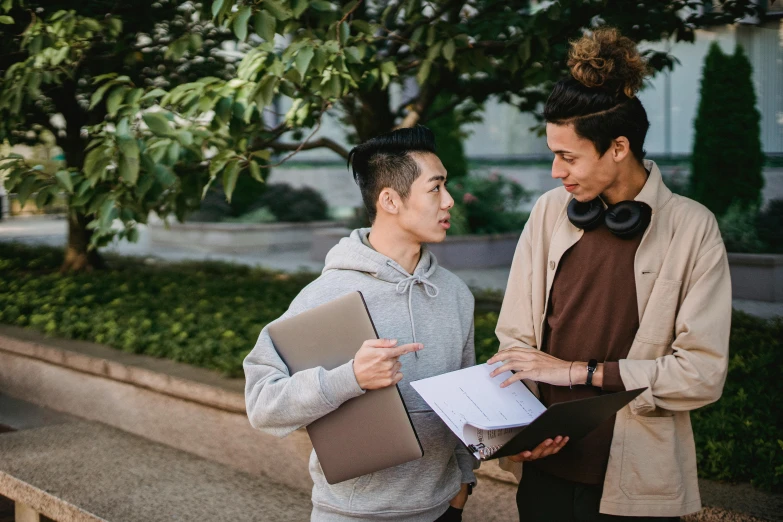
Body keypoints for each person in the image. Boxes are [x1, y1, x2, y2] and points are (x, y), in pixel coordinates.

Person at [491, 28, 731, 521]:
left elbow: (702, 374)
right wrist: (517, 433)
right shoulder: (548, 212)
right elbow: (513, 342)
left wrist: (579, 372)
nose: (557, 171)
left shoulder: (692, 228)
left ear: (619, 147)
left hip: (636, 484)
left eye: (568, 156)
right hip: (545, 473)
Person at [244, 126, 478, 522]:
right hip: (355, 515)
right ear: (389, 199)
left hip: (442, 509)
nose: (450, 200)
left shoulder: (455, 293)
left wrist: (463, 484)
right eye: (435, 188)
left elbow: (463, 399)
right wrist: (349, 377)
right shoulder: (326, 294)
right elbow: (263, 405)